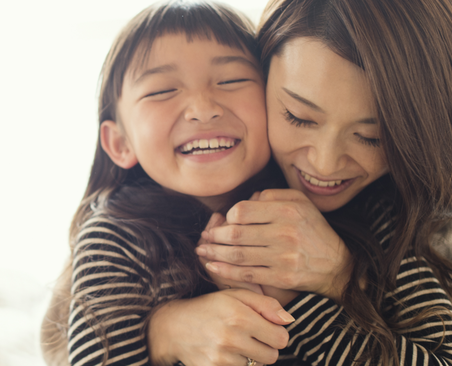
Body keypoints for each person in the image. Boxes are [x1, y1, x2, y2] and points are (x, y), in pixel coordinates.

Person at [43, 0, 452, 365]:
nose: (325, 162)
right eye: (297, 116)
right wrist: (166, 332)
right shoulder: (118, 234)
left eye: (372, 136)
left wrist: (323, 290)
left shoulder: (384, 214)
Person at [41, 2, 297, 365]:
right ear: (120, 144)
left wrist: (299, 301)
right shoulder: (115, 239)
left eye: (231, 80)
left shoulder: (309, 210)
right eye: (161, 91)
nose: (203, 108)